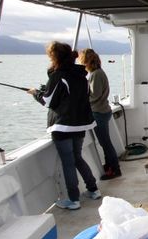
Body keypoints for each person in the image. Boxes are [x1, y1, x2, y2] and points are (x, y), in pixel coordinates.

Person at [27, 41, 100, 210]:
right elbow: (74, 96)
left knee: (68, 162)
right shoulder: (81, 75)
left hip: (62, 127)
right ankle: (93, 189)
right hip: (80, 125)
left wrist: (35, 93)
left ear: (55, 57)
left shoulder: (57, 75)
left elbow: (47, 101)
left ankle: (73, 200)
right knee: (77, 157)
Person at [78, 48, 121, 180]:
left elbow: (95, 95)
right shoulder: (98, 73)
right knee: (105, 142)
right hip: (103, 111)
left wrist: (81, 99)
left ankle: (114, 169)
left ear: (87, 61)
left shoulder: (96, 74)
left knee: (105, 143)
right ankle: (109, 166)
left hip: (99, 112)